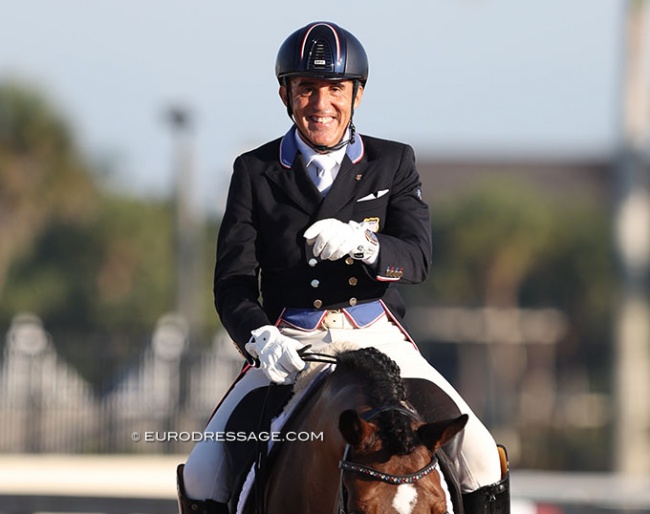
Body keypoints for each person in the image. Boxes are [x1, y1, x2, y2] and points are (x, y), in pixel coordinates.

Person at [178, 21, 510, 514]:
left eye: (335, 88)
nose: (320, 104)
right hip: (291, 343)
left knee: (483, 459)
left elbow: (417, 258)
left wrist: (366, 243)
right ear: (285, 94)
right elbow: (232, 282)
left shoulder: (393, 162)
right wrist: (261, 337)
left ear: (356, 94)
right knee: (205, 472)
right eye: (307, 89)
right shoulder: (255, 171)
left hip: (377, 337)